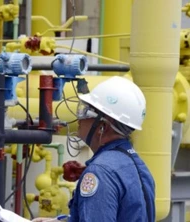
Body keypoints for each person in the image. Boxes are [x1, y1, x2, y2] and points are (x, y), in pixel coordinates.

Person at [32, 76, 155, 222]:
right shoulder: (136, 165)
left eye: (86, 112)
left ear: (102, 126)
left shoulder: (100, 171)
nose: (79, 119)